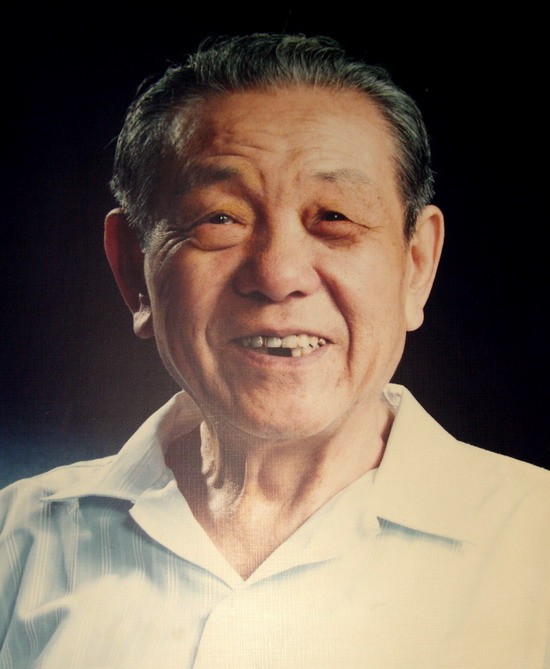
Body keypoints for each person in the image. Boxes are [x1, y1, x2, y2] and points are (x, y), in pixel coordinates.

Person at [1, 33, 548, 668]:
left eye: (335, 217)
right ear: (133, 270)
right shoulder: (16, 545)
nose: (278, 273)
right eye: (220, 218)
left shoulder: (533, 547)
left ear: (416, 266)